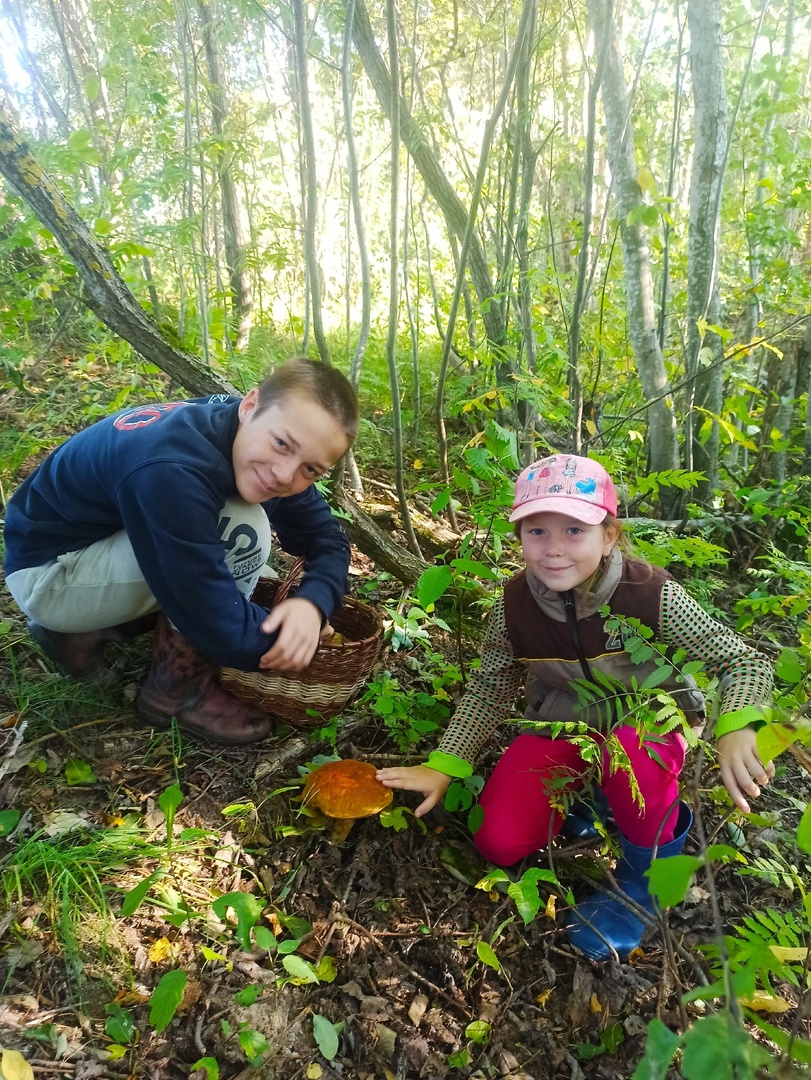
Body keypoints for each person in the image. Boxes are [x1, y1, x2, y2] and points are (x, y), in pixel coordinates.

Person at [377, 454, 774, 961]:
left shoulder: (651, 595)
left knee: (630, 750)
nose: (553, 549)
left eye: (574, 530)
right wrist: (446, 763)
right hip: (563, 723)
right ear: (520, 536)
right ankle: (591, 797)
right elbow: (489, 689)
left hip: (646, 725)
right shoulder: (514, 606)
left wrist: (738, 725)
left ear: (609, 535)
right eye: (536, 531)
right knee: (498, 840)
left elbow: (742, 660)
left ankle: (644, 883)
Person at [4, 357, 358, 746]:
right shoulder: (173, 468)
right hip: (49, 575)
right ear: (250, 406)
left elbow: (328, 537)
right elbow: (219, 624)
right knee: (242, 532)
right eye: (281, 444)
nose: (285, 474)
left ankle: (79, 635)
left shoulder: (245, 429)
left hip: (92, 546)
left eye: (311, 469)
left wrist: (312, 605)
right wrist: (293, 643)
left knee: (256, 573)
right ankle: (176, 692)